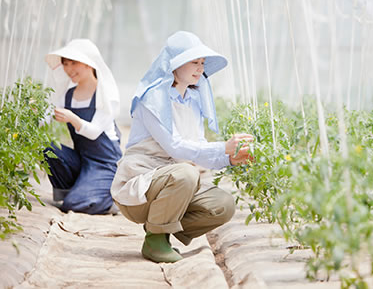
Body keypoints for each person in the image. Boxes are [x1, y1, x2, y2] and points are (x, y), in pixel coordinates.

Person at [111, 31, 253, 263]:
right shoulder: (153, 99)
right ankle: (155, 243)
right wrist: (224, 147)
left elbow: (197, 146)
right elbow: (176, 147)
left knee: (222, 205)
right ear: (173, 66)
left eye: (202, 63)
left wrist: (229, 158)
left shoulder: (191, 100)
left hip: (171, 186)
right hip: (139, 186)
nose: (199, 68)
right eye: (193, 62)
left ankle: (159, 228)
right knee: (186, 173)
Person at [44, 39, 122, 215]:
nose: (69, 69)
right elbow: (46, 115)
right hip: (82, 159)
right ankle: (77, 191)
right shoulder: (68, 95)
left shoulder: (105, 95)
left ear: (89, 64)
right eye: (65, 63)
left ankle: (111, 197)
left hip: (104, 164)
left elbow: (94, 132)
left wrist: (73, 118)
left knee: (73, 205)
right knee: (48, 148)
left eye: (74, 63)